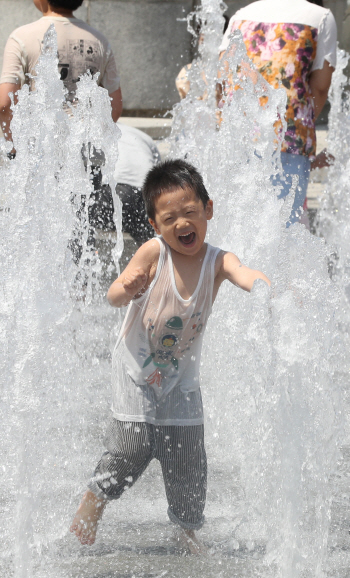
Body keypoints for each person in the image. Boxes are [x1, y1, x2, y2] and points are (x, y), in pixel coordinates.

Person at [70, 159, 271, 553]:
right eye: (170, 217)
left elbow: (243, 271)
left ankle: (185, 529)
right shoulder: (153, 253)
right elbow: (113, 297)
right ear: (154, 224)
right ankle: (95, 498)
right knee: (131, 446)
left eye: (190, 212)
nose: (182, 223)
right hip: (134, 369)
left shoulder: (217, 260)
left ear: (208, 210)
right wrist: (127, 286)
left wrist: (265, 288)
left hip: (181, 376)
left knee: (188, 456)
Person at [219, 0, 337, 226]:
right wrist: (303, 123)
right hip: (288, 135)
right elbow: (320, 86)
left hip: (238, 138)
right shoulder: (320, 18)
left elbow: (222, 75)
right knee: (282, 231)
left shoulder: (240, 16)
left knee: (239, 225)